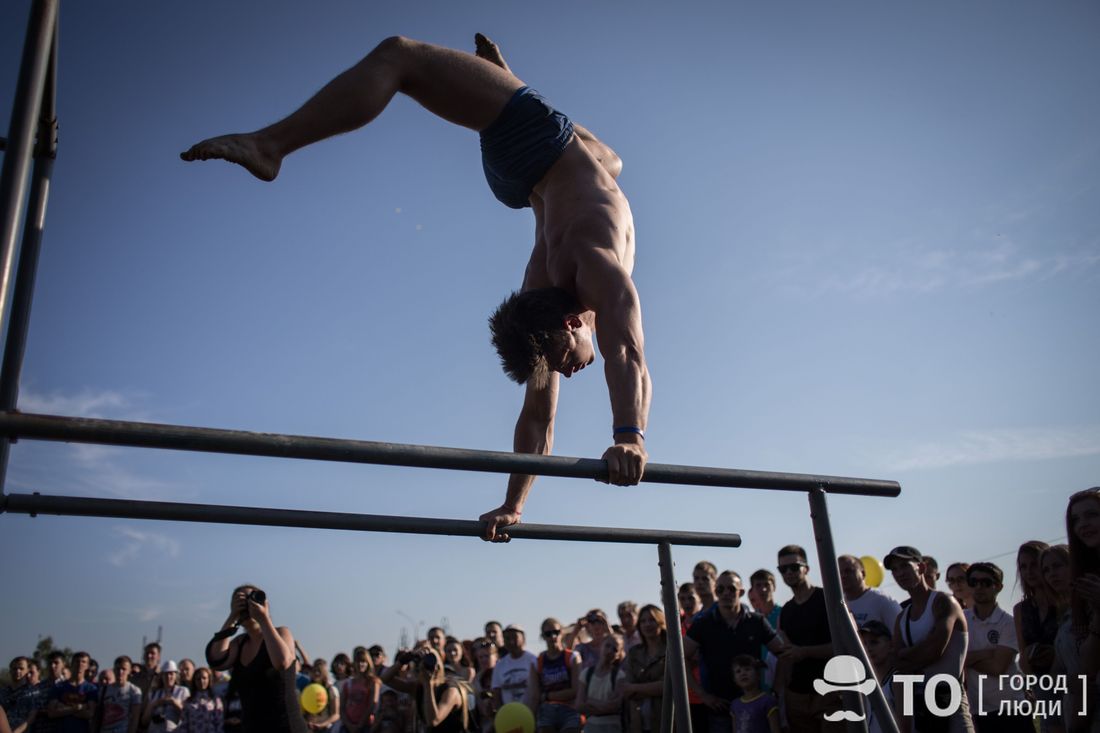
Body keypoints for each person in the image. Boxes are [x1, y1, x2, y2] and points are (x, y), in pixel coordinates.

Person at [180, 32, 651, 539]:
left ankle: (497, 83)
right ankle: (275, 143)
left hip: (535, 159)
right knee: (605, 159)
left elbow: (586, 381)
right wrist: (612, 448)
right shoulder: (578, 281)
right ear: (571, 321)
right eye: (564, 362)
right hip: (531, 166)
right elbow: (580, 385)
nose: (570, 370)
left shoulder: (560, 287)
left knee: (406, 58)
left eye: (560, 363)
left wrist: (616, 446)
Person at [884, 545, 974, 733]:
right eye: (895, 569)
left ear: (922, 568)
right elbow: (896, 663)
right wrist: (920, 650)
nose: (900, 573)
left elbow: (935, 651)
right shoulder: (903, 616)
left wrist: (907, 654)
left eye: (905, 566)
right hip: (922, 707)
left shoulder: (943, 602)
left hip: (950, 701)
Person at [684, 571, 784, 733]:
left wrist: (776, 689)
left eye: (731, 588)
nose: (725, 593)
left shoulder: (756, 621)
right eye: (720, 589)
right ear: (715, 592)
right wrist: (702, 694)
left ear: (741, 592)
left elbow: (783, 654)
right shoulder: (703, 624)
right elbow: (680, 658)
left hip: (755, 707)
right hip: (719, 708)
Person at [204, 585, 308, 733]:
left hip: (286, 726)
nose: (247, 605)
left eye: (250, 598)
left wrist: (263, 619)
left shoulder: (281, 633)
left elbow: (282, 662)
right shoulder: (240, 643)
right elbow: (216, 659)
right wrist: (233, 616)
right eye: (241, 602)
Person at [774, 546, 840, 733]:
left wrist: (804, 652)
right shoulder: (786, 611)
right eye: (783, 569)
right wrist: (783, 693)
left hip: (830, 691)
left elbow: (845, 646)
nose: (788, 573)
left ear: (806, 568)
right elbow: (787, 656)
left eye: (794, 567)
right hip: (797, 695)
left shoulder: (827, 599)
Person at [961, 562, 1030, 732]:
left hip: (1012, 708)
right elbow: (953, 659)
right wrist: (987, 652)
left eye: (985, 582)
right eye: (973, 582)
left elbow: (997, 667)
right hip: (977, 710)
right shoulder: (962, 619)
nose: (979, 587)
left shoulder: (1008, 622)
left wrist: (966, 658)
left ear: (998, 587)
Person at [382, 648, 473, 733]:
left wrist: (428, 684)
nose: (421, 668)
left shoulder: (451, 691)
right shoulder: (418, 687)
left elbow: (433, 721)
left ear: (438, 667)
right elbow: (385, 679)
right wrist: (404, 660)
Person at [621, 605, 670, 733]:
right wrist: (651, 688)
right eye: (643, 621)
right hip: (639, 721)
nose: (647, 624)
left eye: (652, 620)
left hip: (665, 719)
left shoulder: (671, 650)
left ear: (660, 622)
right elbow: (626, 689)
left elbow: (667, 686)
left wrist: (636, 688)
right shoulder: (634, 653)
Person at [527, 618, 581, 733]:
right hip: (547, 711)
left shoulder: (572, 657)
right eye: (548, 634)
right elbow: (535, 697)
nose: (553, 637)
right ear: (543, 636)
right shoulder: (538, 662)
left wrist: (547, 696)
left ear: (561, 632)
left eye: (556, 632)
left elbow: (576, 690)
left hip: (570, 709)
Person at [574, 634, 625, 733]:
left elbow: (615, 706)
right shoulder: (586, 674)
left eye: (615, 649)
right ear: (601, 646)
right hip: (590, 727)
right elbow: (579, 705)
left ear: (619, 654)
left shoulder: (619, 676)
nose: (610, 651)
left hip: (612, 727)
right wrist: (604, 706)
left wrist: (590, 702)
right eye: (607, 646)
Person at [838, 555, 902, 629]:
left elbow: (901, 637)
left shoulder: (883, 601)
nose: (843, 576)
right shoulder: (837, 605)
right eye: (839, 572)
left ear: (863, 573)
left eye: (848, 571)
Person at [45, 652, 97, 733]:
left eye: (83, 662)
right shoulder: (59, 687)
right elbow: (51, 713)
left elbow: (90, 714)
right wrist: (78, 708)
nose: (80, 664)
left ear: (87, 666)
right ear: (72, 663)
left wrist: (63, 708)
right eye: (77, 661)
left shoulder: (91, 688)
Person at [491, 625, 537, 711]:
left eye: (515, 637)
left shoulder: (533, 661)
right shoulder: (500, 665)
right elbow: (497, 693)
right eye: (507, 638)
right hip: (509, 714)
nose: (511, 642)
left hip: (531, 712)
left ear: (523, 639)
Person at [728, 655, 779, 733]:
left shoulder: (768, 701)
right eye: (738, 671)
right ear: (735, 680)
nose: (743, 673)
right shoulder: (735, 704)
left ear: (758, 675)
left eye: (747, 669)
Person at [98, 656, 142, 733]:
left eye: (123, 669)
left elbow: (135, 718)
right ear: (114, 670)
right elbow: (98, 714)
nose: (120, 672)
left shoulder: (134, 691)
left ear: (129, 671)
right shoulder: (104, 690)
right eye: (117, 669)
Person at [339, 648, 379, 733]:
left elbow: (372, 705)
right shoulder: (348, 683)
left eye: (363, 661)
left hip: (365, 725)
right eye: (358, 661)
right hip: (348, 725)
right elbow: (342, 707)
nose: (361, 664)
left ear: (368, 663)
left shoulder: (373, 682)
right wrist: (349, 725)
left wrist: (360, 725)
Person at [142, 662, 189, 733]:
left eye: (171, 674)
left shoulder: (182, 691)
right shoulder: (154, 693)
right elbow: (144, 721)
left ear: (176, 675)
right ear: (161, 676)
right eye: (165, 674)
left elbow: (188, 716)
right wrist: (155, 704)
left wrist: (174, 703)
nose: (168, 677)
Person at [2, 656, 41, 733]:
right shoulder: (3, 692)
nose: (17, 671)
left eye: (21, 668)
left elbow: (31, 718)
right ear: (10, 671)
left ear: (27, 671)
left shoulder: (34, 692)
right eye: (14, 668)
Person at [178, 667, 222, 733]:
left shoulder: (215, 700)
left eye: (204, 678)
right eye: (198, 679)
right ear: (194, 681)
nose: (201, 681)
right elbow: (184, 724)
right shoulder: (189, 701)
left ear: (209, 679)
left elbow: (219, 723)